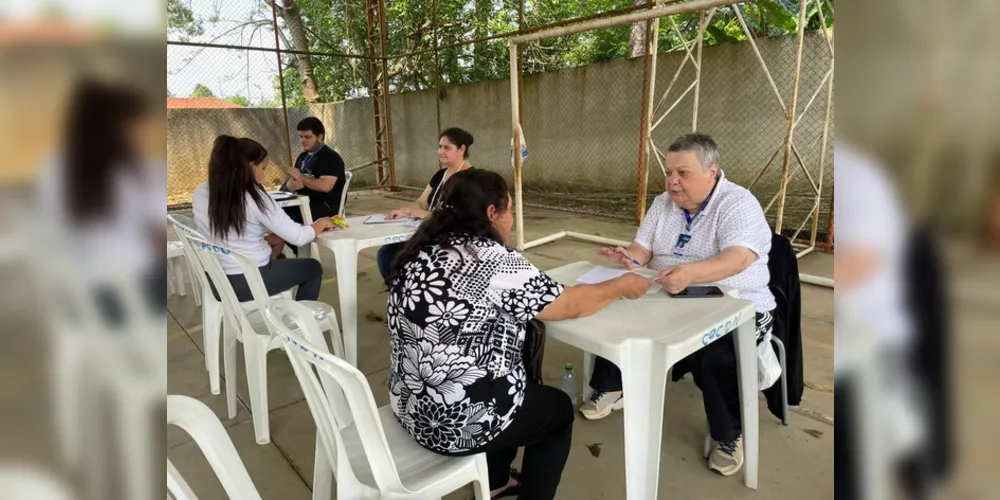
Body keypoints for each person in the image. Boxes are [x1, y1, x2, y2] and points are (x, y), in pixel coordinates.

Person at [385, 169, 651, 499]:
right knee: (557, 413)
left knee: (509, 367)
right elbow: (569, 304)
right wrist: (622, 285)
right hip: (452, 425)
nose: (511, 218)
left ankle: (496, 479)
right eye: (509, 209)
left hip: (411, 406)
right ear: (491, 213)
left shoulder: (423, 247)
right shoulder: (489, 259)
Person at [584, 133, 777, 477]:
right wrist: (627, 257)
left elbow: (736, 259)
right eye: (669, 172)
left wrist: (690, 273)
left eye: (683, 173)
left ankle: (729, 434)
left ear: (712, 172)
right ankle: (612, 386)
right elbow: (642, 249)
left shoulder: (738, 203)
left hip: (735, 301)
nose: (672, 182)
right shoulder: (663, 204)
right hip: (671, 294)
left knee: (719, 351)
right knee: (619, 304)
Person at [35, 79, 166, 324]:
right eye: (136, 126)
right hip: (127, 297)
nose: (141, 136)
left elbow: (54, 229)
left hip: (74, 295)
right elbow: (158, 236)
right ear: (116, 127)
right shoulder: (131, 173)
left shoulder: (53, 166)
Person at [193, 135, 336, 301]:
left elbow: (235, 229)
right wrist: (321, 223)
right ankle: (301, 321)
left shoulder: (201, 191)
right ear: (249, 166)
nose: (263, 176)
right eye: (263, 169)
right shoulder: (255, 198)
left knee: (278, 247)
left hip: (214, 280)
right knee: (312, 268)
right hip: (247, 281)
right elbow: (299, 237)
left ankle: (279, 307)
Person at [376, 127, 474, 279]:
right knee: (387, 253)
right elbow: (421, 202)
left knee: (395, 256)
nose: (440, 152)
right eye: (439, 147)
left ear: (461, 149)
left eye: (446, 148)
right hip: (429, 231)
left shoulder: (471, 179)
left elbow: (463, 218)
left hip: (451, 239)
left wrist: (429, 216)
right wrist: (405, 211)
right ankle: (401, 291)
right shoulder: (441, 174)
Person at [282, 117, 347, 253]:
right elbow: (289, 184)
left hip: (326, 207)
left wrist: (301, 177)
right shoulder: (302, 157)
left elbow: (325, 186)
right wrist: (290, 186)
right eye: (300, 137)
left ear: (320, 137)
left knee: (285, 221)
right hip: (303, 203)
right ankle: (300, 252)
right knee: (276, 215)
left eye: (307, 137)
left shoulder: (330, 158)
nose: (302, 141)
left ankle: (302, 252)